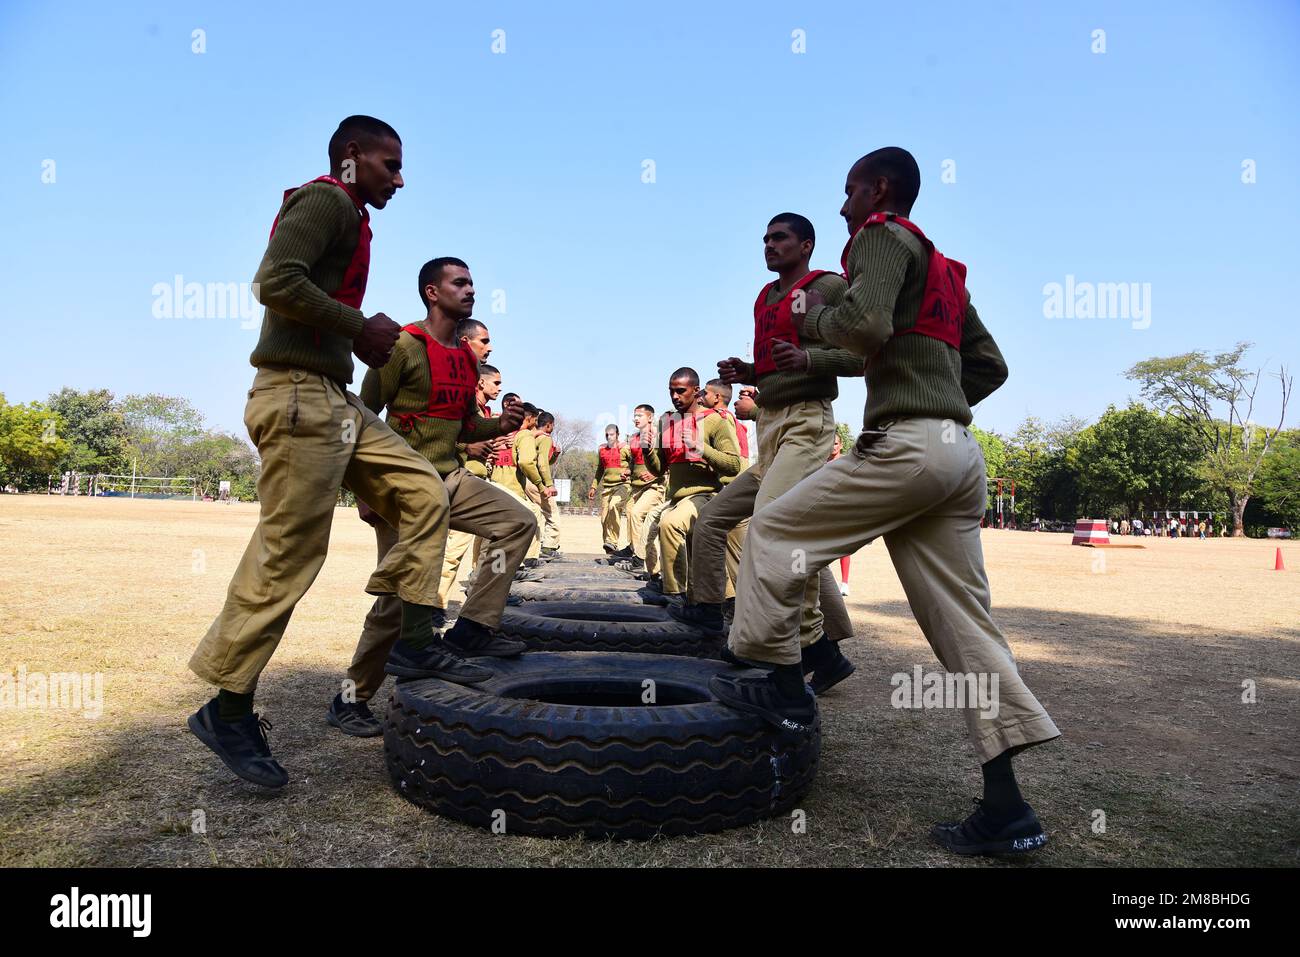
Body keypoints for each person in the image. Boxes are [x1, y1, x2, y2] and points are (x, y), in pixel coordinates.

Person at [709, 147, 1060, 856]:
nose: (841, 206)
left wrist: (804, 331)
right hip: (959, 454)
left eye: (848, 191)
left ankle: (782, 684)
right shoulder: (943, 270)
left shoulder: (876, 236)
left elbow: (863, 327)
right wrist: (940, 405)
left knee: (774, 529)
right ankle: (1007, 809)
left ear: (879, 190)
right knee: (966, 628)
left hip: (907, 446)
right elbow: (989, 365)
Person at [187, 116, 478, 789]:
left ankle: (412, 642)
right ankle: (228, 709)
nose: (400, 179)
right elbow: (274, 281)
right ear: (353, 157)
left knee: (421, 490)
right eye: (389, 164)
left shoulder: (352, 214)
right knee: (289, 557)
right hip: (296, 397)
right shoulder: (324, 199)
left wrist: (351, 339)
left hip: (331, 398)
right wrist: (359, 327)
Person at [333, 258, 536, 736]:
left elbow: (466, 426)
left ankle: (471, 632)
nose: (470, 290)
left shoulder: (466, 360)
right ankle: (351, 699)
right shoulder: (404, 345)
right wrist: (362, 487)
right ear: (431, 291)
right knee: (399, 601)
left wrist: (499, 426)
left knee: (517, 522)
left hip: (450, 477)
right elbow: (362, 413)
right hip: (400, 488)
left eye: (472, 283)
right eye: (459, 283)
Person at [668, 213, 862, 693]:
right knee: (713, 519)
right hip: (771, 428)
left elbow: (864, 354)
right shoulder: (764, 297)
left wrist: (813, 358)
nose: (769, 245)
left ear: (807, 245)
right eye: (765, 239)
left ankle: (798, 652)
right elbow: (779, 363)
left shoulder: (830, 287)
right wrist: (749, 369)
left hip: (806, 424)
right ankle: (713, 614)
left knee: (776, 533)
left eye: (780, 238)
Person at [644, 368, 742, 600]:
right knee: (694, 556)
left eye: (680, 391)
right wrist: (648, 451)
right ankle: (707, 600)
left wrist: (702, 448)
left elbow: (733, 464)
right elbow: (658, 469)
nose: (675, 396)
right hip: (676, 498)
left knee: (669, 524)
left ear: (696, 391)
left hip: (705, 495)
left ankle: (675, 594)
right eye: (671, 392)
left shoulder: (713, 421)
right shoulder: (666, 422)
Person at [437, 361, 506, 611]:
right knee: (454, 550)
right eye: (496, 383)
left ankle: (478, 594)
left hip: (479, 482)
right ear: (480, 383)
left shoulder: (484, 412)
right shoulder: (464, 405)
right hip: (461, 484)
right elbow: (439, 436)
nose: (500, 388)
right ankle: (436, 604)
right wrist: (467, 447)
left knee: (494, 538)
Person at [621, 404, 665, 571]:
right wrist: (628, 471)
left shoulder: (659, 436)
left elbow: (667, 462)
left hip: (655, 486)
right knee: (631, 513)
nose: (636, 419)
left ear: (650, 418)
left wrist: (656, 474)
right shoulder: (633, 438)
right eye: (634, 416)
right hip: (636, 487)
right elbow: (633, 461)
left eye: (640, 415)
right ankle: (641, 559)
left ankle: (644, 564)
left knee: (638, 514)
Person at [589, 424, 633, 556]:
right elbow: (600, 469)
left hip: (623, 485)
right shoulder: (602, 449)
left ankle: (612, 541)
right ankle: (610, 550)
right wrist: (593, 486)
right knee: (604, 519)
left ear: (617, 435)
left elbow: (634, 464)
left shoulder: (625, 448)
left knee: (614, 505)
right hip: (607, 487)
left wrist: (629, 472)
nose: (609, 437)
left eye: (612, 434)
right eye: (607, 435)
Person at [529, 411, 563, 557]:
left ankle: (532, 549)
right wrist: (549, 484)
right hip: (538, 482)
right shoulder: (545, 438)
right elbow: (542, 463)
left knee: (535, 513)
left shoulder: (531, 437)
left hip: (527, 480)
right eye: (553, 425)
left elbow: (541, 460)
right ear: (549, 425)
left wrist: (555, 455)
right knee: (552, 514)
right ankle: (549, 547)